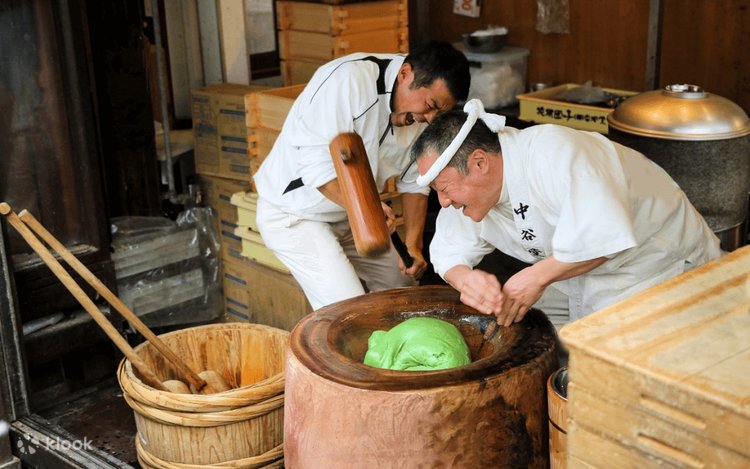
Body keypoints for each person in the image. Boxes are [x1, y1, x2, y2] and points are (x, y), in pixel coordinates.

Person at [409, 99, 722, 328]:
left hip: (655, 265)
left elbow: (603, 234)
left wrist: (536, 276)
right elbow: (449, 252)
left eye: (444, 188)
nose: (443, 202)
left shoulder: (555, 153)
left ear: (480, 162)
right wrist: (467, 280)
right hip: (582, 277)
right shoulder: (469, 194)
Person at [253, 41, 471, 310]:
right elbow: (316, 171)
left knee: (402, 288)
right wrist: (367, 209)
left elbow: (414, 182)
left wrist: (413, 245)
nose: (429, 118)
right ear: (405, 74)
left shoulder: (423, 115)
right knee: (348, 309)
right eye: (430, 105)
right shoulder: (348, 82)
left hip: (356, 216)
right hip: (296, 214)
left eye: (439, 112)